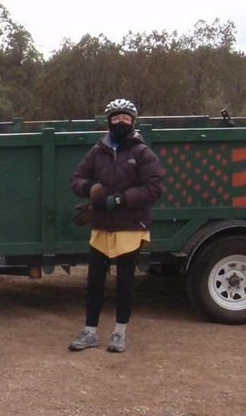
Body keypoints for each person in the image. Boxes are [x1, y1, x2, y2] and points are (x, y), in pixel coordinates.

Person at [69, 98, 164, 353]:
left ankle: (119, 333)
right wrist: (90, 188)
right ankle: (90, 332)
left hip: (130, 227)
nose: (120, 122)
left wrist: (119, 200)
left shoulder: (142, 152)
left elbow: (154, 189)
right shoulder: (97, 151)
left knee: (125, 283)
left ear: (133, 122)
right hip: (101, 227)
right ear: (108, 121)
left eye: (125, 118)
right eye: (115, 118)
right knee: (95, 282)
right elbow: (77, 178)